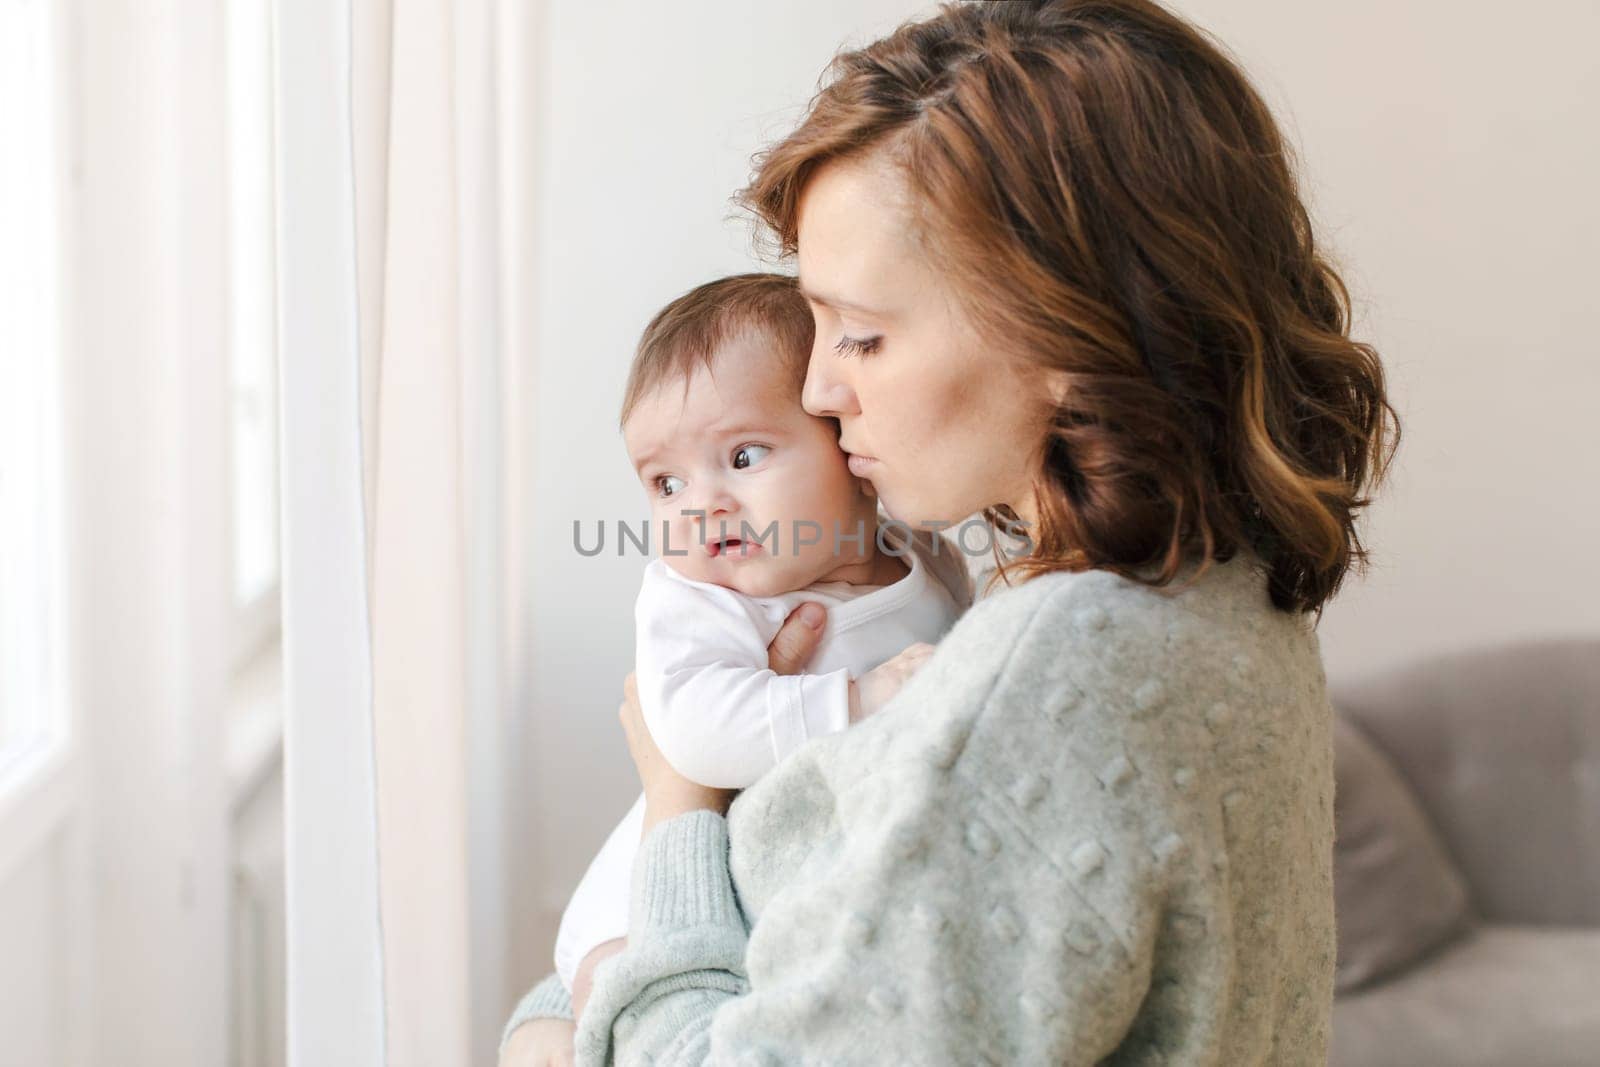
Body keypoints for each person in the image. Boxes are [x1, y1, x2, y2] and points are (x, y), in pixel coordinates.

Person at [504, 0, 1399, 1062]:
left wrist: (678, 807)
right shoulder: (1215, 584)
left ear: (1069, 326)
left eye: (865, 337)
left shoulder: (1051, 677)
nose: (819, 387)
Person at [551, 273, 971, 1013]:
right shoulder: (700, 599)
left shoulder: (923, 556)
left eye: (744, 457)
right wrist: (859, 699)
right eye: (664, 483)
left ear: (848, 451)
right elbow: (692, 730)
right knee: (602, 1003)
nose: (703, 503)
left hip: (789, 910)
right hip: (643, 904)